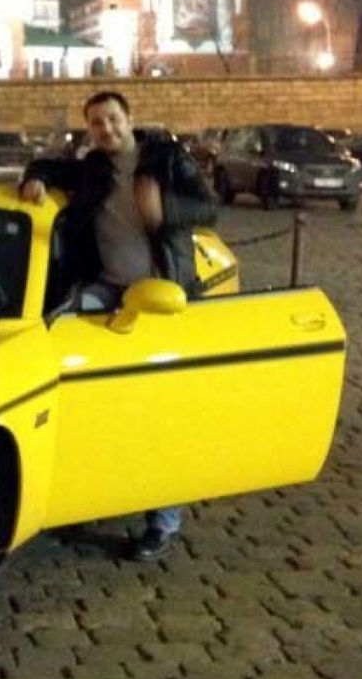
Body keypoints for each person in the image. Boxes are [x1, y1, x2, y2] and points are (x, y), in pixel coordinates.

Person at [19, 90, 217, 561]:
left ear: (129, 119)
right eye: (96, 124)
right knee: (61, 360)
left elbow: (209, 209)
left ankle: (162, 521)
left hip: (160, 296)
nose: (106, 129)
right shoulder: (93, 167)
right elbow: (48, 167)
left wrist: (164, 212)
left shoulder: (167, 158)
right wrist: (34, 181)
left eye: (112, 120)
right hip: (107, 289)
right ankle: (79, 492)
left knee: (159, 413)